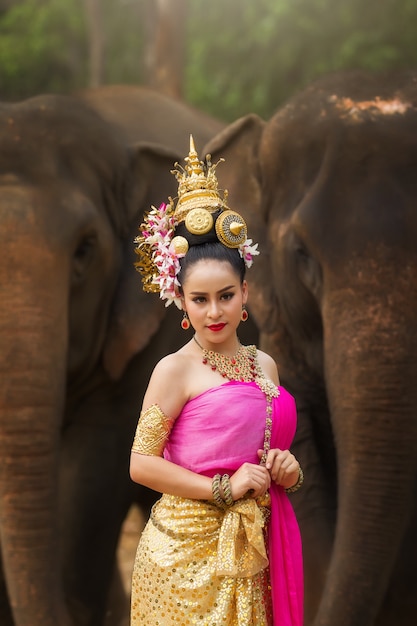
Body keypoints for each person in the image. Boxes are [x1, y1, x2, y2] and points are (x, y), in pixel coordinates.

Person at [129, 137, 304, 626]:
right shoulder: (174, 370)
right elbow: (141, 464)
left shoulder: (264, 365)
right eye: (199, 299)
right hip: (181, 561)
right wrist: (222, 490)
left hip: (253, 552)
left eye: (225, 295)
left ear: (245, 292)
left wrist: (288, 471)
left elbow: (264, 453)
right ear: (180, 300)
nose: (213, 312)